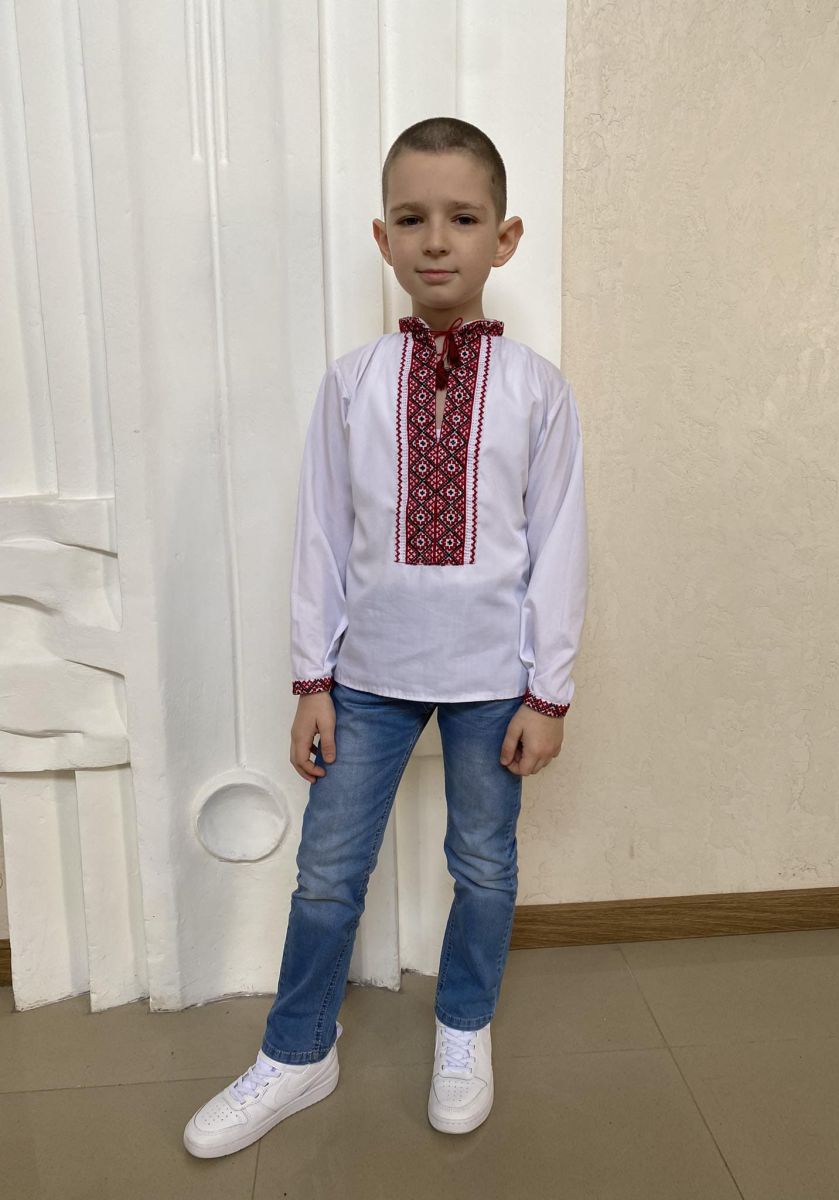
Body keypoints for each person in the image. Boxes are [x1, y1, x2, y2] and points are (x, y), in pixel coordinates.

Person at [183, 115, 588, 1158]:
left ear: (505, 238)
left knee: (483, 866)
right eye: (412, 218)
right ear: (383, 237)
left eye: (464, 218)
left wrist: (548, 692)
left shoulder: (538, 391)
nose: (436, 240)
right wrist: (311, 679)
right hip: (366, 676)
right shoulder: (353, 383)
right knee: (328, 871)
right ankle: (297, 1050)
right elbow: (320, 536)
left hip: (494, 679)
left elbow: (560, 546)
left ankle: (463, 1028)